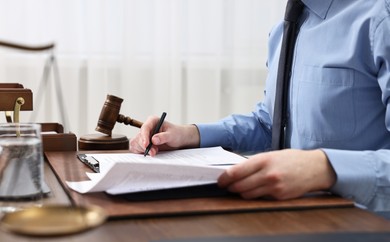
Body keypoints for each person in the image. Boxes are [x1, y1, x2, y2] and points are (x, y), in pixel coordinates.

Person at [130, 0, 390, 215]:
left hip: (363, 228)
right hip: (290, 222)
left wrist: (325, 168)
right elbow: (272, 124)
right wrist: (191, 135)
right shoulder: (283, 30)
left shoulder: (380, 18)